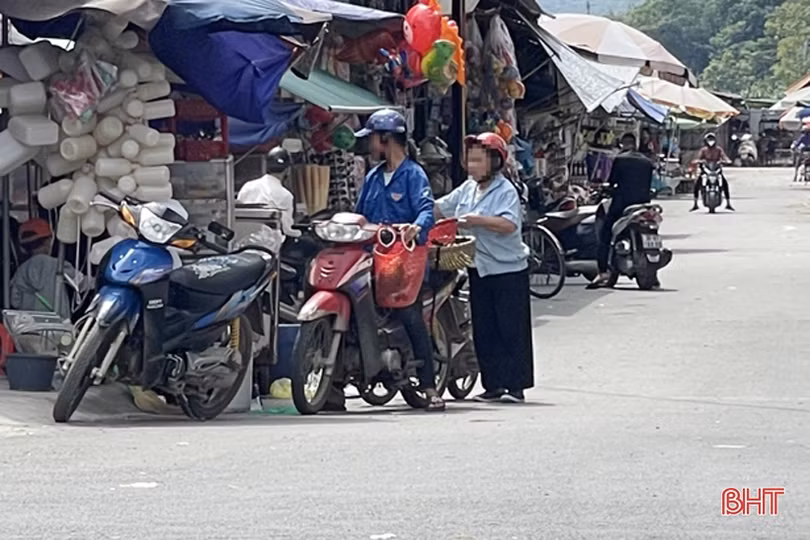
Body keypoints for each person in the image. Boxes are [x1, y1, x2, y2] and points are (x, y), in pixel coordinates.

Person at [329, 108, 444, 411]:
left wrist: (416, 227)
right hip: (371, 258)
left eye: (372, 138)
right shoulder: (373, 176)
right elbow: (359, 215)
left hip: (404, 261)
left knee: (409, 314)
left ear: (386, 139)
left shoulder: (413, 174)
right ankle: (334, 386)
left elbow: (426, 209)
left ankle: (429, 386)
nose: (368, 144)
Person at [435, 132, 534, 403]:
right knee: (485, 328)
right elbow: (441, 208)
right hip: (479, 267)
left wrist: (477, 220)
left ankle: (516, 386)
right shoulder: (467, 188)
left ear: (495, 162)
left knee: (510, 329)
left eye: (478, 160)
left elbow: (508, 225)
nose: (472, 166)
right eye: (470, 160)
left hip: (508, 270)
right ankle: (493, 385)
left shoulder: (506, 191)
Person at [588, 132, 654, 289]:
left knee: (605, 234)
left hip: (623, 205)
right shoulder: (647, 161)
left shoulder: (620, 159)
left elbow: (613, 181)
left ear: (623, 144)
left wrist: (606, 189)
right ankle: (653, 273)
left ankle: (602, 271)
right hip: (643, 204)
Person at [10, 218, 75, 319]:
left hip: (29, 324)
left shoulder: (20, 271)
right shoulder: (59, 265)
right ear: (49, 241)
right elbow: (80, 283)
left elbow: (15, 301)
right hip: (58, 323)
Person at [236, 146, 300, 239]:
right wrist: (300, 233)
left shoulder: (247, 186)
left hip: (242, 240)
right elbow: (287, 230)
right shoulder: (285, 195)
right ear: (287, 170)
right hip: (269, 244)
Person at [691, 132, 734, 211]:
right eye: (709, 139)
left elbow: (724, 156)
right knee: (697, 184)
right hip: (706, 170)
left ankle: (728, 203)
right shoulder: (703, 150)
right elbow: (698, 158)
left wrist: (727, 161)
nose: (711, 141)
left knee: (725, 184)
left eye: (712, 139)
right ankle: (695, 204)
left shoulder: (718, 149)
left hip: (716, 169)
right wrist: (698, 161)